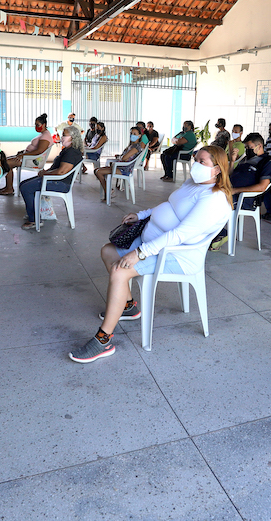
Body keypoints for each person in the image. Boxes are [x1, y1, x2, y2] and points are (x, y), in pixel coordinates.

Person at [69, 146, 234, 363]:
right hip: (155, 242)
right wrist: (141, 215)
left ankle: (103, 339)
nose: (195, 164)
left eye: (202, 162)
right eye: (196, 159)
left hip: (177, 255)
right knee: (108, 251)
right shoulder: (193, 184)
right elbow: (169, 204)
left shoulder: (213, 199)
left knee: (120, 271)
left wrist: (139, 253)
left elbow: (180, 234)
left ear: (217, 170)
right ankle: (128, 306)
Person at [209, 132, 271, 251]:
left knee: (213, 205)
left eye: (249, 148)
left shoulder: (268, 162)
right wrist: (232, 160)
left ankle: (222, 233)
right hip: (230, 191)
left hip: (245, 199)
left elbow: (262, 187)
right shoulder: (246, 159)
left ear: (259, 146)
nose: (247, 150)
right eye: (246, 148)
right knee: (204, 198)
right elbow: (230, 174)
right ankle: (212, 234)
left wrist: (235, 190)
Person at [19, 125, 83, 229]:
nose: (61, 138)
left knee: (26, 188)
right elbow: (58, 168)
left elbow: (62, 171)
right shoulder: (67, 150)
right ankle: (33, 212)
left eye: (64, 136)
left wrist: (46, 174)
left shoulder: (72, 152)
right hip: (56, 179)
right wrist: (46, 172)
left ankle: (34, 220)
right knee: (23, 184)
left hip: (61, 183)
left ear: (73, 137)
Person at [0, 113, 53, 195]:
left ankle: (9, 188)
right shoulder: (43, 134)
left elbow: (39, 151)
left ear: (44, 124)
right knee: (5, 160)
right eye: (35, 125)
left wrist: (23, 155)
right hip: (28, 157)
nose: (36, 127)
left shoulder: (46, 136)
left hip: (33, 160)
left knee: (6, 163)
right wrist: (23, 152)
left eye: (38, 125)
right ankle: (8, 187)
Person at [94, 126, 145, 202]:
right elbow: (123, 157)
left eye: (134, 133)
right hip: (120, 166)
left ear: (139, 136)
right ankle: (108, 190)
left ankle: (108, 191)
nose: (132, 135)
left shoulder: (136, 147)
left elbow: (124, 158)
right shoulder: (130, 146)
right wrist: (122, 157)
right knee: (96, 170)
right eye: (131, 133)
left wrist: (123, 157)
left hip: (124, 169)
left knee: (99, 172)